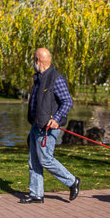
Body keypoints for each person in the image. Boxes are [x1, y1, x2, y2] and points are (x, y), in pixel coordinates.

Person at [20, 47, 80, 204]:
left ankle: (72, 181)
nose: (33, 62)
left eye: (34, 59)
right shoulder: (39, 78)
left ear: (38, 60)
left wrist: (57, 119)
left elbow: (67, 101)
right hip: (36, 125)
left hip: (48, 127)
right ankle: (36, 194)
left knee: (45, 159)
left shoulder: (55, 78)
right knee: (33, 161)